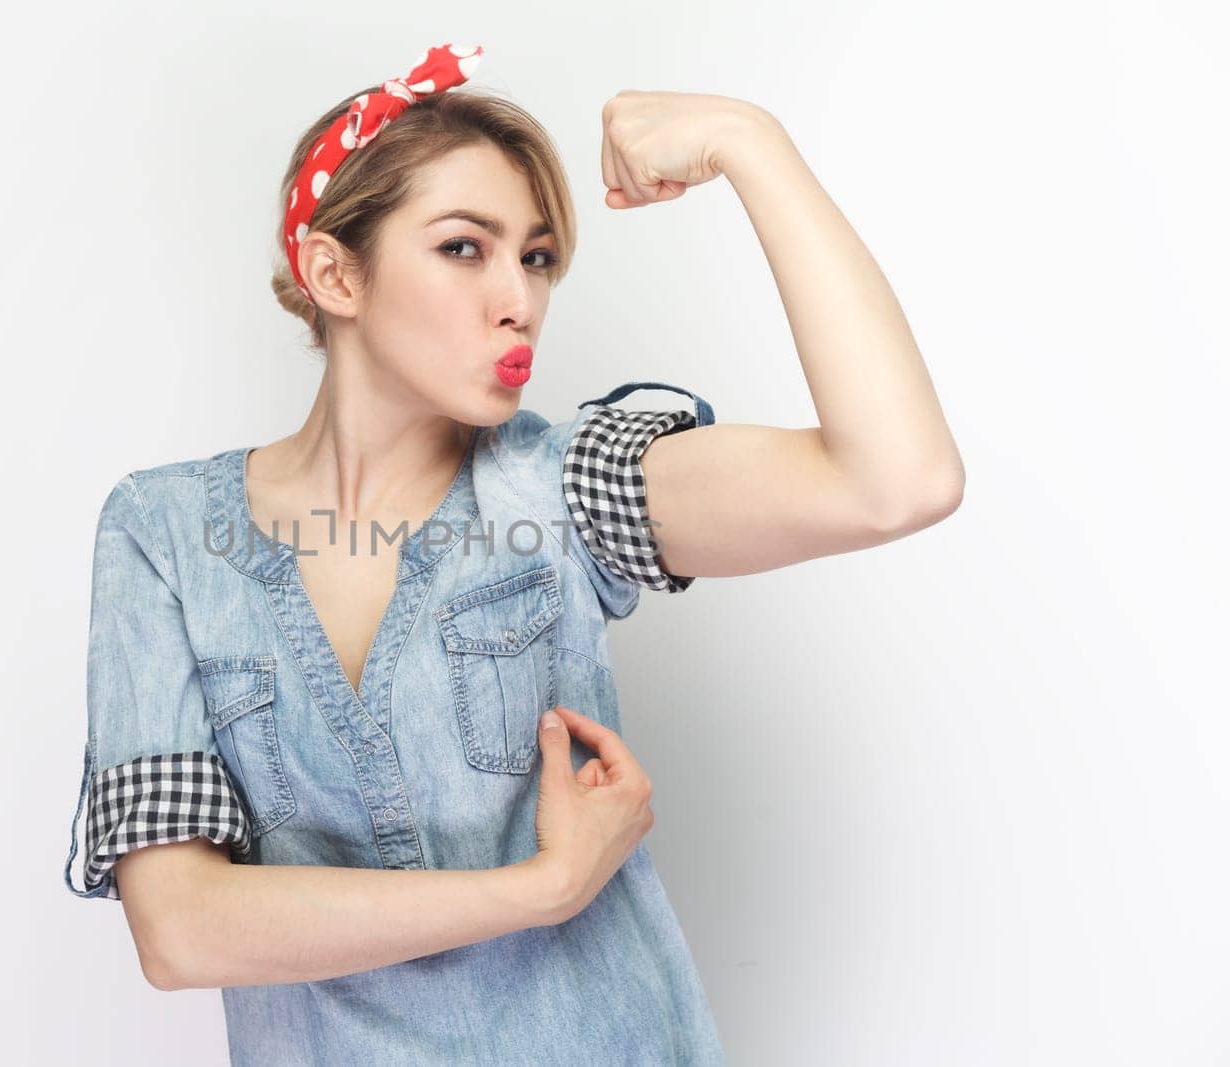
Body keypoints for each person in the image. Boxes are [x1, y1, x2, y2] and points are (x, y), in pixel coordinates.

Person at [61, 43, 964, 1065]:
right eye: (463, 248)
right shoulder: (166, 531)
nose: (519, 299)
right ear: (332, 271)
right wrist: (538, 889)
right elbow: (180, 928)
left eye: (536, 257)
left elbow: (899, 480)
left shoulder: (564, 487)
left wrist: (749, 143)